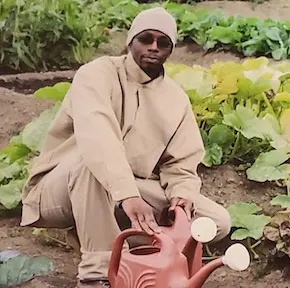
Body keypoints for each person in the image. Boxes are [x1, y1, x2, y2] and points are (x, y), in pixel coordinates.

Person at [20, 7, 231, 288]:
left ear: (171, 49)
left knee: (215, 220)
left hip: (126, 192)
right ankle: (98, 274)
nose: (154, 47)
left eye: (163, 42)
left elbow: (180, 162)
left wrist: (182, 196)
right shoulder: (95, 75)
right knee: (89, 164)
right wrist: (128, 195)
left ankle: (148, 262)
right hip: (60, 188)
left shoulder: (175, 98)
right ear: (130, 41)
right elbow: (98, 139)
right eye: (146, 38)